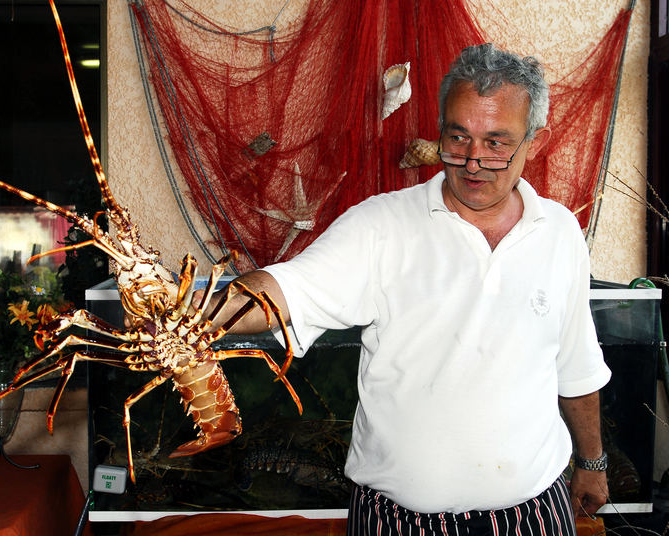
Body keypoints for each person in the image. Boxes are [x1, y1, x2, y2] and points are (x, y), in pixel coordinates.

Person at [203, 43, 611, 535]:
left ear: (535, 141)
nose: (473, 161)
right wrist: (198, 313)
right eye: (457, 137)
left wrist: (593, 461)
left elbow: (576, 367)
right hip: (398, 520)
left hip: (534, 513)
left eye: (497, 142)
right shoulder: (380, 225)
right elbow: (288, 289)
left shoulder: (560, 232)